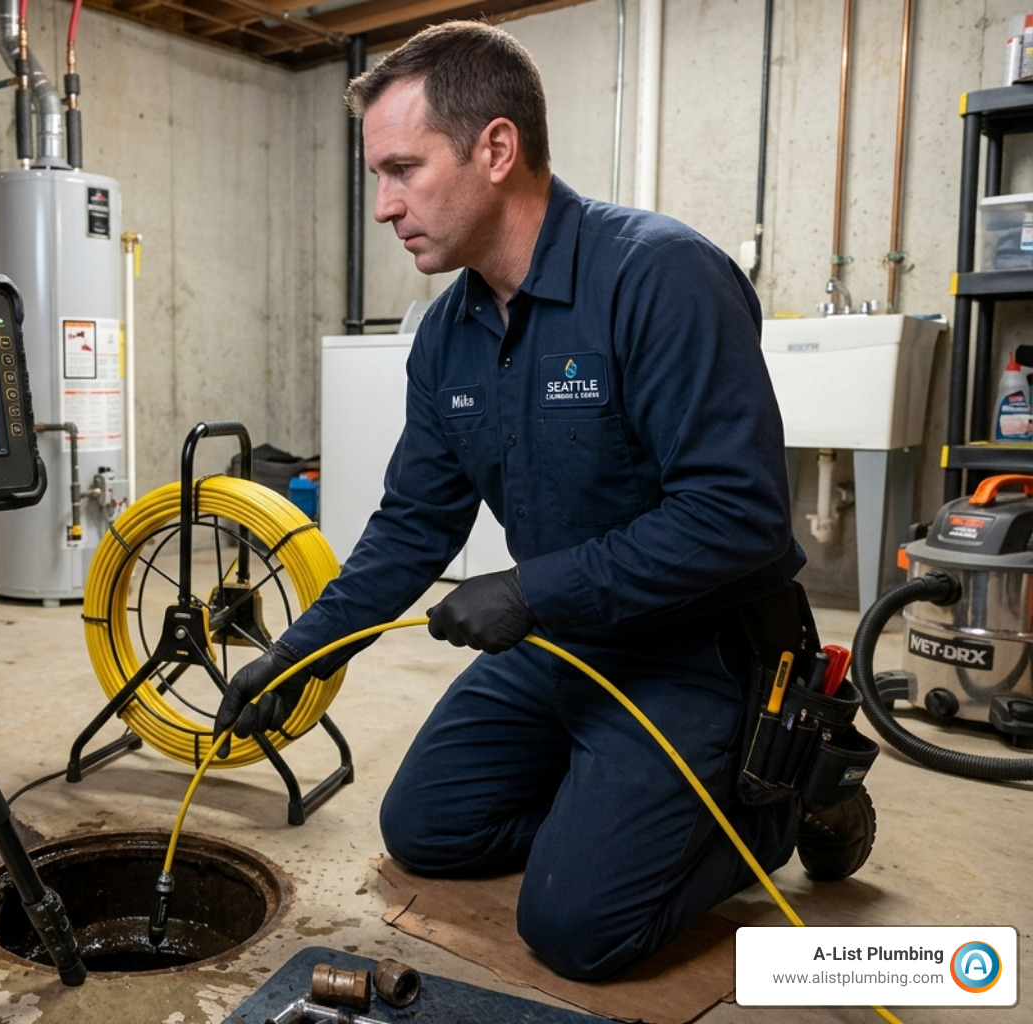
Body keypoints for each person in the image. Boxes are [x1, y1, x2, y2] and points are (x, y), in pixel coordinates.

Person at [214, 20, 874, 980]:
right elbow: (412, 525)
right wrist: (295, 653)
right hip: (565, 643)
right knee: (426, 829)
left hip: (700, 656)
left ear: (495, 148)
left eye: (403, 169)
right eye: (377, 178)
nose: (383, 206)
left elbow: (739, 516)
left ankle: (774, 807)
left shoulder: (658, 277)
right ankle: (619, 806)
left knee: (577, 931)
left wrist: (529, 591)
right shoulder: (450, 333)